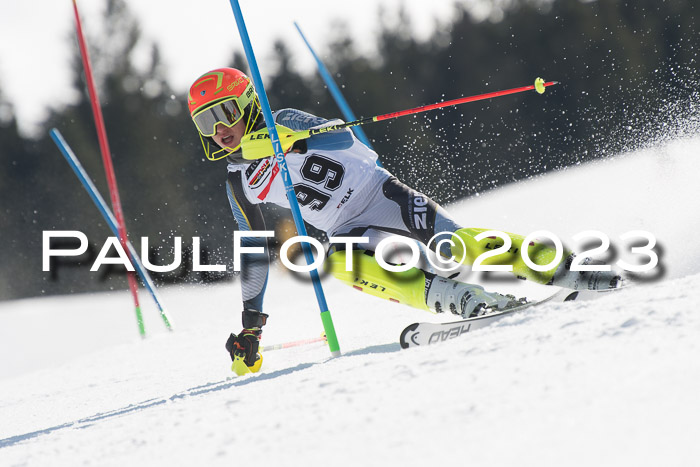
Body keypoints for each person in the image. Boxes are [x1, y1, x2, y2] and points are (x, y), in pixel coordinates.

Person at [187, 67, 620, 372]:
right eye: (206, 122)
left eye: (224, 113)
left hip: (381, 193)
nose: (218, 129)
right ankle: (461, 300)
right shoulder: (238, 181)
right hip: (345, 229)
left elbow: (342, 135)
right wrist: (251, 326)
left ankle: (563, 267)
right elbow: (254, 250)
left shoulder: (284, 120)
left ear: (245, 104)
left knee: (457, 244)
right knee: (334, 261)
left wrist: (294, 143)